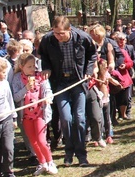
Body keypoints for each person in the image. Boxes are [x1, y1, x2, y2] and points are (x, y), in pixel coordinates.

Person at [38, 16, 97, 167]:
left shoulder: (83, 38)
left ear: (69, 30)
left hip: (78, 81)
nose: (58, 36)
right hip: (60, 82)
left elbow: (93, 54)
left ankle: (81, 154)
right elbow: (42, 54)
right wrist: (46, 68)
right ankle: (69, 152)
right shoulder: (48, 40)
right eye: (55, 33)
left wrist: (88, 70)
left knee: (79, 117)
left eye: (61, 33)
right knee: (65, 118)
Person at [11, 53, 57, 176]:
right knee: (33, 141)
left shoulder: (40, 76)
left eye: (34, 66)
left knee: (41, 140)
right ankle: (42, 163)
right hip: (26, 116)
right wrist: (25, 88)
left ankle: (50, 161)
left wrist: (47, 97)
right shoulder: (16, 79)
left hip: (40, 114)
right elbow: (15, 97)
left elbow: (47, 90)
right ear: (21, 66)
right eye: (29, 66)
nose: (33, 69)